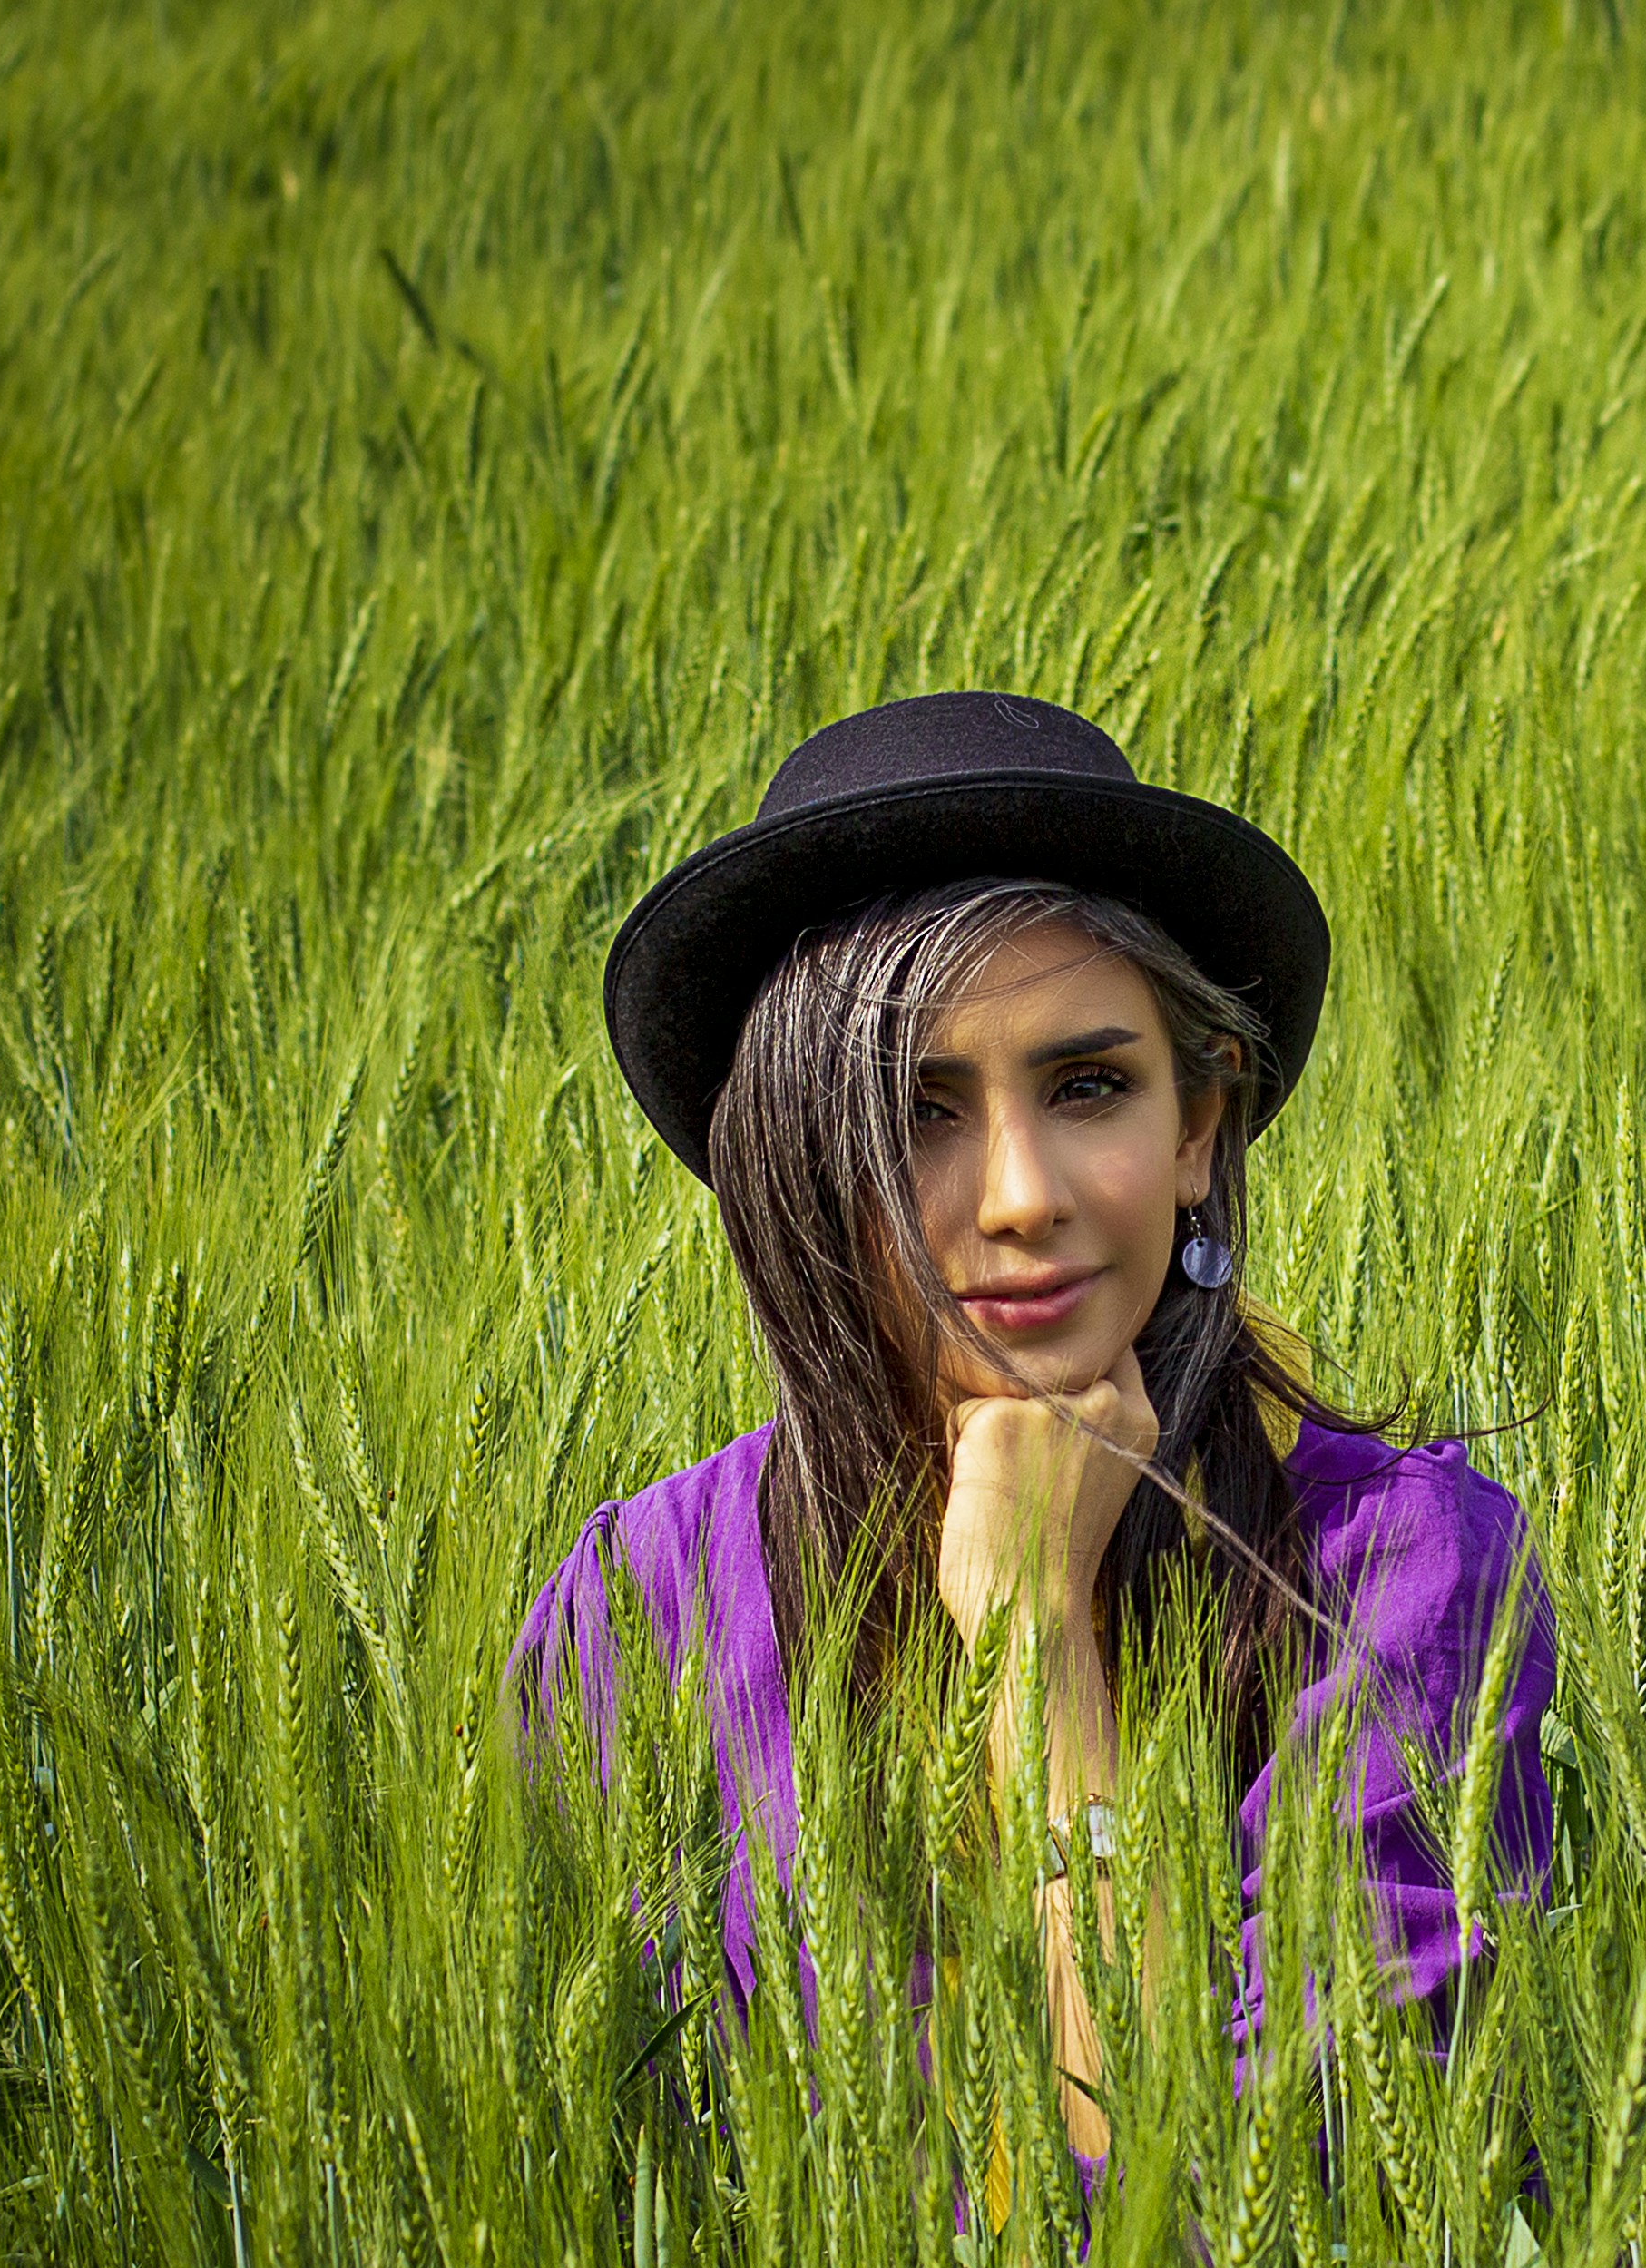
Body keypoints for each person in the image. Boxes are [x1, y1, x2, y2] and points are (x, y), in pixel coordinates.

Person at [514, 689, 1554, 2165]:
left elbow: (1237, 2205)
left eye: (1088, 1086)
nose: (1020, 1193)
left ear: (1198, 1126)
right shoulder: (646, 1601)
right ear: (799, 1169)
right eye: (917, 1109)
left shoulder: (1398, 1574)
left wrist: (1034, 1637)